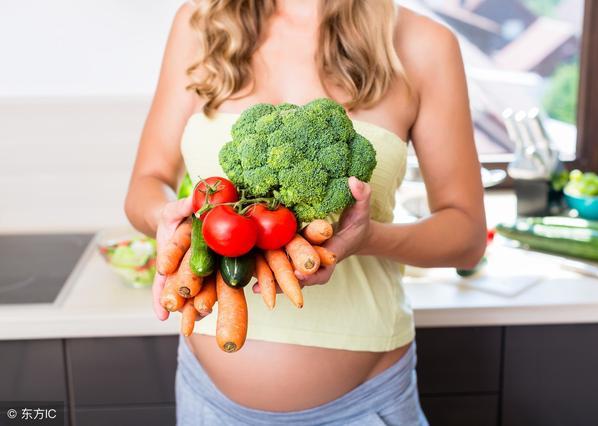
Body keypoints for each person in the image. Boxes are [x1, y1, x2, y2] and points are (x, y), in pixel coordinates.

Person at [125, 0, 486, 424]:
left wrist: (368, 239)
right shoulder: (203, 23)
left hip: (364, 408)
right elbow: (145, 183)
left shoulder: (423, 43)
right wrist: (170, 221)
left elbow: (466, 237)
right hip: (207, 403)